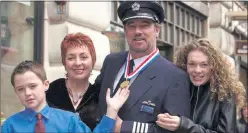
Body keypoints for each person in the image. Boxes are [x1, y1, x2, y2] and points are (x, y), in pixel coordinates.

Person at [95, 1, 191, 133]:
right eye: (131, 26)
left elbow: (176, 131)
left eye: (145, 26)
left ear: (157, 30)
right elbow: (93, 103)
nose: (137, 31)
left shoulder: (175, 77)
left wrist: (124, 128)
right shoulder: (111, 62)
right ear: (125, 30)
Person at [1, 60, 130, 132]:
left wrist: (111, 112)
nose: (27, 93)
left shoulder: (69, 121)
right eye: (21, 89)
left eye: (33, 86)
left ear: (46, 85)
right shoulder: (10, 126)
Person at [156, 38, 246, 133]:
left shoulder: (225, 94)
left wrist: (184, 125)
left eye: (204, 65)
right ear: (184, 65)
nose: (197, 70)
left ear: (213, 66)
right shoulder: (177, 88)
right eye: (192, 64)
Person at [46, 32, 98, 130]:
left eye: (84, 57)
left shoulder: (98, 96)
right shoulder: (50, 91)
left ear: (93, 60)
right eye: (71, 58)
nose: (78, 63)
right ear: (64, 62)